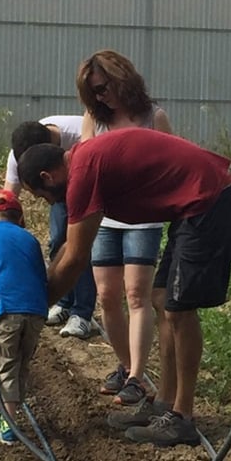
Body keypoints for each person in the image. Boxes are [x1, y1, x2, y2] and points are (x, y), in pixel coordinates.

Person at [16, 128, 231, 447]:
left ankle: (183, 418)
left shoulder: (83, 171)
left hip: (212, 198)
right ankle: (165, 404)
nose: (49, 201)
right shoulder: (83, 161)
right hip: (198, 201)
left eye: (43, 195)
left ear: (48, 176)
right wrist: (38, 296)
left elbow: (76, 257)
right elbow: (70, 247)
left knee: (179, 310)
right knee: (162, 298)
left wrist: (34, 311)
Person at [76, 49, 173, 405]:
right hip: (105, 218)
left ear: (123, 80)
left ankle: (136, 377)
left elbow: (170, 162)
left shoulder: (153, 117)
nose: (103, 96)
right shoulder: (95, 119)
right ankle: (126, 365)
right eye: (96, 92)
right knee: (106, 295)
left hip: (143, 217)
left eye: (106, 87)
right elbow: (87, 162)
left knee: (136, 294)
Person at [4, 116, 101, 340]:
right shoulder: (20, 153)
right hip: (60, 188)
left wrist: (36, 303)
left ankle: (82, 313)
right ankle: (64, 301)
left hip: (90, 184)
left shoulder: (80, 137)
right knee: (59, 239)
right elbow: (9, 199)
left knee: (80, 245)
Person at [0, 189, 48, 446]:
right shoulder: (31, 239)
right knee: (21, 363)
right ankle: (6, 412)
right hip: (37, 311)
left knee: (5, 364)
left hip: (7, 309)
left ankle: (9, 424)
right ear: (20, 218)